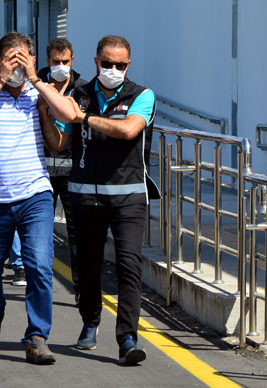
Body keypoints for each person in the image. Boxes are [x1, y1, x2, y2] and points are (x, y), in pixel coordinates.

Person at [38, 35, 157, 365]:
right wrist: (46, 114)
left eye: (120, 65)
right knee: (87, 267)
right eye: (107, 64)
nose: (113, 69)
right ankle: (90, 321)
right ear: (95, 62)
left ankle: (128, 338)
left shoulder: (142, 96)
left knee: (128, 266)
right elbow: (60, 142)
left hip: (128, 197)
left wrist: (84, 119)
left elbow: (128, 131)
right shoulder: (79, 94)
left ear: (128, 65)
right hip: (84, 197)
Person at [0, 32, 77, 365]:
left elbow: (68, 116)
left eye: (22, 57)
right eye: (10, 57)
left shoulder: (38, 92)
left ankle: (37, 336)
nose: (16, 64)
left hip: (34, 195)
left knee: (40, 266)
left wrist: (35, 79)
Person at [37, 38, 86, 305]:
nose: (60, 66)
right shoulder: (37, 87)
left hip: (72, 173)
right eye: (56, 62)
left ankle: (79, 286)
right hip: (41, 172)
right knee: (41, 233)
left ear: (72, 60)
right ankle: (39, 283)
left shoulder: (82, 89)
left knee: (77, 232)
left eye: (65, 62)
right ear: (47, 62)